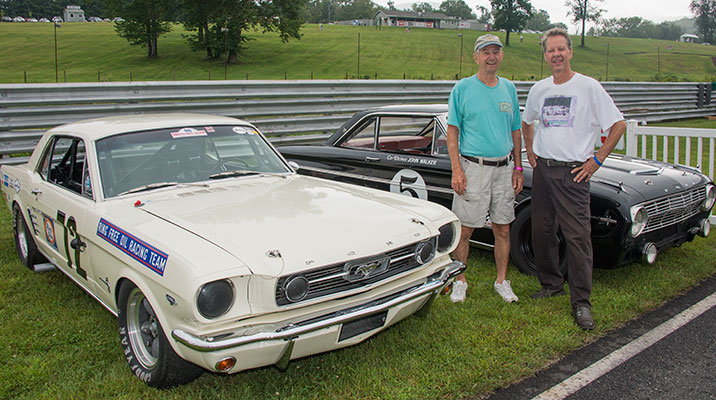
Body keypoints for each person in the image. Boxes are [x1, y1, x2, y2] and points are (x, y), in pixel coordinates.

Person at [521, 28, 626, 330]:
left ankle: (581, 302)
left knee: (577, 237)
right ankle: (551, 283)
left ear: (569, 52)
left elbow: (618, 125)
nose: (556, 54)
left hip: (573, 173)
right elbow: (527, 121)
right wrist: (530, 151)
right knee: (542, 231)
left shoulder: (588, 87)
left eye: (560, 49)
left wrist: (596, 160)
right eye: (550, 50)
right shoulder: (539, 90)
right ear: (545, 56)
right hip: (544, 171)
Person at [446, 34, 524, 303]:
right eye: (486, 52)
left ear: (501, 56)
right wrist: (457, 169)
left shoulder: (509, 89)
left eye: (496, 51)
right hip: (473, 168)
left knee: (502, 228)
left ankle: (502, 281)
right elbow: (452, 132)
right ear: (476, 56)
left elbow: (516, 130)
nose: (491, 56)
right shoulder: (463, 89)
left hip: (504, 168)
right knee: (465, 229)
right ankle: (460, 279)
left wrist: (518, 167)